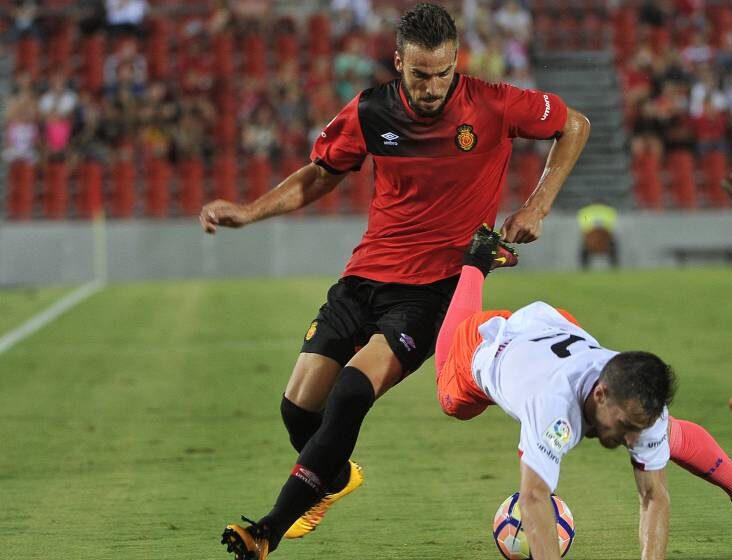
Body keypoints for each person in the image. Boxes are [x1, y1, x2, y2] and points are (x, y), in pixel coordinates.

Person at [200, 4, 590, 559]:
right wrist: (249, 211)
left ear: (457, 61)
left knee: (353, 392)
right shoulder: (370, 111)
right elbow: (319, 175)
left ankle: (266, 531)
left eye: (442, 73)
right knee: (297, 410)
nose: (432, 88)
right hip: (364, 276)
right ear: (398, 61)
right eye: (419, 74)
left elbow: (575, 124)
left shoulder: (494, 103)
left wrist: (537, 207)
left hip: (434, 291)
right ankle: (331, 478)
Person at [434, 226, 732, 559]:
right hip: (484, 345)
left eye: (639, 428)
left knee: (667, 434)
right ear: (601, 395)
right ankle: (476, 260)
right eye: (626, 427)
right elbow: (534, 496)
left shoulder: (639, 399)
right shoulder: (552, 406)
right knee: (452, 402)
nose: (632, 440)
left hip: (556, 327)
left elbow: (653, 496)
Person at [576, 201, 619, 269]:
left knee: (584, 249)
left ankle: (584, 268)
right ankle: (614, 267)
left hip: (592, 236)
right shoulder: (609, 211)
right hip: (605, 236)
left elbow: (584, 226)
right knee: (613, 248)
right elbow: (611, 226)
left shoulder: (585, 211)